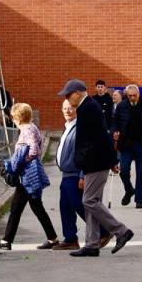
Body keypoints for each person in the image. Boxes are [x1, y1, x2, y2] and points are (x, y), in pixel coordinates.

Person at [60, 79, 134, 258]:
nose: (68, 100)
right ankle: (92, 244)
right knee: (91, 203)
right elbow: (102, 135)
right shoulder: (88, 107)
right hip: (97, 161)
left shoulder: (87, 109)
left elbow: (93, 139)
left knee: (89, 201)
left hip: (95, 163)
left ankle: (121, 230)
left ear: (77, 93)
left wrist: (84, 166)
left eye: (69, 96)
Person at [0, 102, 59, 251]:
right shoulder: (32, 127)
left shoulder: (27, 129)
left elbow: (33, 149)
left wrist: (22, 161)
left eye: (13, 117)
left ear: (18, 117)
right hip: (28, 175)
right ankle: (7, 240)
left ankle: (52, 238)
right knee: (20, 208)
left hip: (27, 175)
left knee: (31, 208)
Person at [113, 84, 142, 208]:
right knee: (124, 171)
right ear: (126, 95)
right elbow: (115, 122)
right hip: (126, 144)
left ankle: (139, 200)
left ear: (138, 94)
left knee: (141, 173)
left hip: (141, 143)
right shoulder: (122, 106)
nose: (132, 98)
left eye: (134, 95)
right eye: (129, 96)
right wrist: (115, 132)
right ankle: (129, 190)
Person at [55, 99, 85, 250]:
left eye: (71, 108)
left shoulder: (80, 127)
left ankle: (103, 231)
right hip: (66, 174)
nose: (67, 111)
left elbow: (85, 152)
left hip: (75, 174)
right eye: (65, 108)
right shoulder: (67, 127)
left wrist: (82, 174)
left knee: (79, 205)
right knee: (65, 207)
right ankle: (70, 238)